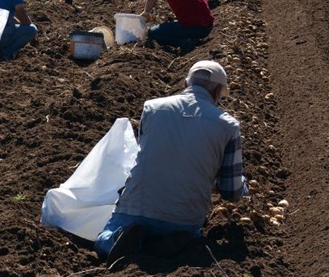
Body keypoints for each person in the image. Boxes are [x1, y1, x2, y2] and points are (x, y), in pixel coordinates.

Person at [95, 60, 248, 265]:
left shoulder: (152, 108)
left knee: (102, 240)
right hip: (184, 219)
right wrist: (244, 187)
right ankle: (166, 245)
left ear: (186, 84)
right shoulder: (228, 126)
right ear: (218, 92)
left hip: (137, 207)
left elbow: (146, 155)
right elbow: (230, 191)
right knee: (181, 236)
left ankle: (115, 240)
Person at [142, 0, 214, 51]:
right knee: (171, 25)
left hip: (195, 27)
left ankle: (184, 42)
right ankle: (191, 39)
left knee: (152, 33)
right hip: (207, 28)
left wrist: (146, 12)